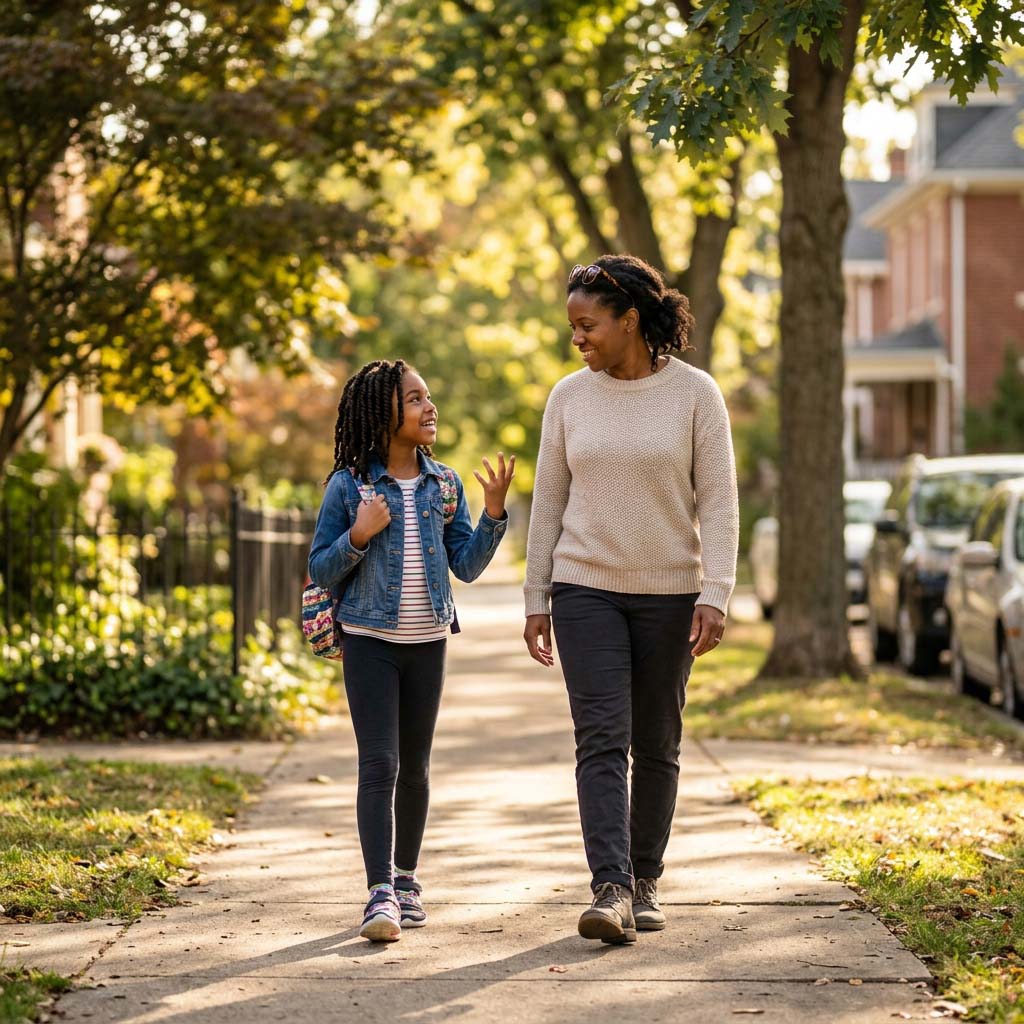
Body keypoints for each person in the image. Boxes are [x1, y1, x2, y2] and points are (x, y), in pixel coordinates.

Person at [523, 255, 739, 945]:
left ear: (630, 320)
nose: (577, 339)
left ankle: (646, 879)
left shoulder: (696, 395)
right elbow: (548, 502)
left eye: (588, 326)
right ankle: (610, 887)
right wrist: (536, 596)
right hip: (584, 587)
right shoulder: (568, 398)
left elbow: (722, 503)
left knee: (659, 742)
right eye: (572, 328)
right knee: (601, 739)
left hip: (672, 593)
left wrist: (717, 590)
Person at [309, 359, 514, 943]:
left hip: (427, 642)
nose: (431, 408)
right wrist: (358, 535)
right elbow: (321, 568)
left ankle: (406, 879)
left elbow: (466, 566)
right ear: (384, 413)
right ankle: (379, 894)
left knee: (417, 768)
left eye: (430, 397)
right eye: (417, 398)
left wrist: (494, 513)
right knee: (380, 764)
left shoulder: (444, 484)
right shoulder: (350, 486)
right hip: (369, 641)